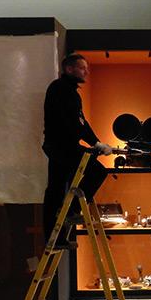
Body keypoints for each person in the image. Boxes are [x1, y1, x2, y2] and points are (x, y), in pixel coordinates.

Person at [42, 53, 112, 248]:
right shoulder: (60, 89)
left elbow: (80, 122)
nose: (86, 71)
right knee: (96, 172)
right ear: (69, 69)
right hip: (62, 147)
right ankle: (72, 212)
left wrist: (96, 143)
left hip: (64, 147)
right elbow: (73, 124)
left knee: (56, 190)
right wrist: (95, 144)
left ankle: (58, 237)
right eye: (82, 68)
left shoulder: (70, 92)